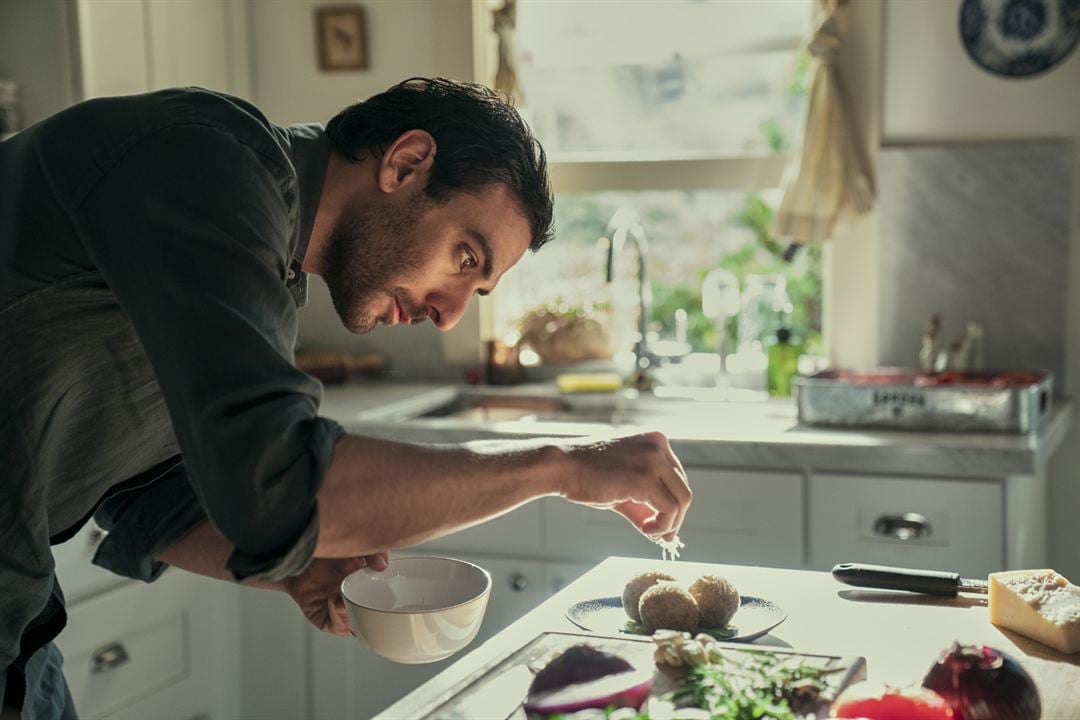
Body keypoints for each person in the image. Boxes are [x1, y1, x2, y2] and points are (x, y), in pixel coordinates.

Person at [0, 78, 691, 719]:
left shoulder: (267, 267)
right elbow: (280, 488)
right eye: (466, 257)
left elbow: (149, 491)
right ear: (406, 163)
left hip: (21, 623)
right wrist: (559, 467)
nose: (450, 315)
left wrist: (305, 565)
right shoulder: (207, 159)